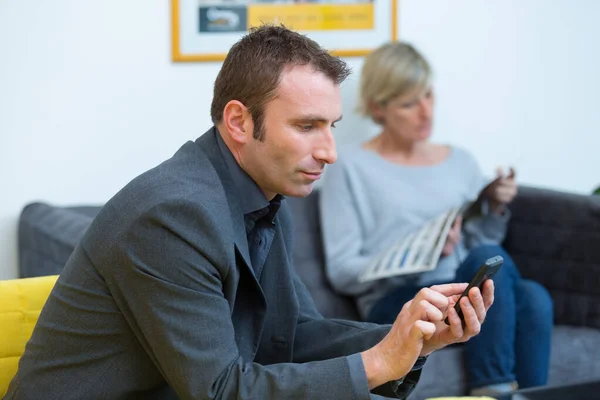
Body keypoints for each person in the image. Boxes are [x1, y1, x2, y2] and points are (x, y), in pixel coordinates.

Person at [5, 27, 493, 400]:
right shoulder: (172, 215)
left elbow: (293, 333)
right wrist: (377, 363)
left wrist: (412, 338)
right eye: (307, 126)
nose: (329, 151)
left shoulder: (263, 191)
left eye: (332, 127)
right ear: (238, 121)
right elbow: (220, 390)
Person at [319, 42, 554, 396]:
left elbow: (484, 247)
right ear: (378, 107)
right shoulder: (350, 167)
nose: (426, 112)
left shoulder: (460, 161)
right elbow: (343, 270)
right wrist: (423, 255)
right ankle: (493, 390)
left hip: (461, 288)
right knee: (508, 280)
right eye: (409, 103)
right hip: (398, 298)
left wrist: (493, 208)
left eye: (428, 95)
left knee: (533, 295)